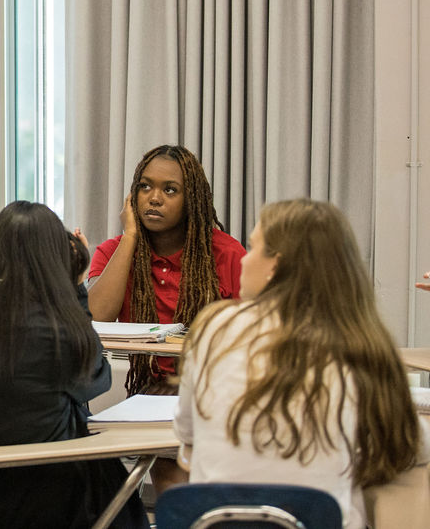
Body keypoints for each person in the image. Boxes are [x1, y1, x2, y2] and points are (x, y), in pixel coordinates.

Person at [173, 199, 430, 528]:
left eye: (252, 248)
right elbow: (404, 443)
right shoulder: (358, 343)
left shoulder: (213, 327)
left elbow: (186, 432)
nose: (243, 260)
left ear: (275, 265)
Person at [0, 201, 149, 529]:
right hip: (57, 505)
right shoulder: (58, 329)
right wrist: (75, 288)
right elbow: (97, 382)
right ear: (55, 260)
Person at [85, 144, 245, 495]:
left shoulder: (226, 253)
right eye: (145, 187)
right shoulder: (115, 252)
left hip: (219, 394)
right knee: (178, 487)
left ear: (192, 200)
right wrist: (129, 238)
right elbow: (95, 317)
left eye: (169, 190)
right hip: (154, 396)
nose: (153, 198)